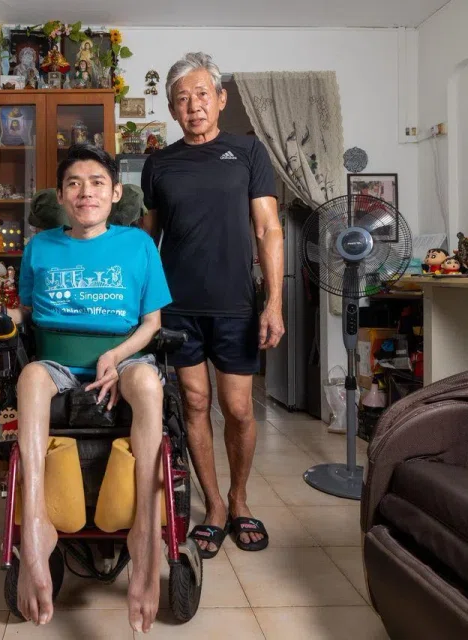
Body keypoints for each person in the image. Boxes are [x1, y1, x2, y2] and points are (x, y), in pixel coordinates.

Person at [0, 144, 172, 634]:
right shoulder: (40, 247)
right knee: (30, 376)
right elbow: (28, 310)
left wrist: (119, 355)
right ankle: (36, 523)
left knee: (148, 382)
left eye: (97, 183)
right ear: (61, 196)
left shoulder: (138, 245)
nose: (87, 192)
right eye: (75, 184)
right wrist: (0, 316)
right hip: (57, 362)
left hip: (122, 360)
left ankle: (145, 535)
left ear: (115, 192)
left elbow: (151, 322)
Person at [140, 52, 285, 558]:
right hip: (179, 309)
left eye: (202, 94)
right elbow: (147, 242)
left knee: (239, 408)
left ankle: (240, 497)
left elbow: (268, 229)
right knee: (196, 405)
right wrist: (143, 307)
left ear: (220, 99)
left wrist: (274, 302)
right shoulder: (159, 164)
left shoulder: (247, 152)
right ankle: (216, 506)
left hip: (237, 306)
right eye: (182, 98)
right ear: (173, 111)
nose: (193, 105)